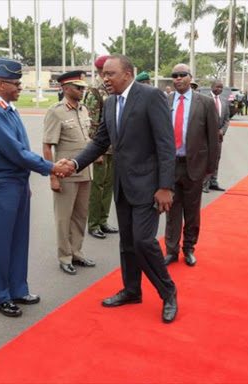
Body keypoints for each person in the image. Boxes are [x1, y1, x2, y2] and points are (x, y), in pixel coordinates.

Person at [68, 55, 178, 323]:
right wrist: (74, 163)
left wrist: (165, 186)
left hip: (149, 186)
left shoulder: (151, 97)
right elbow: (100, 142)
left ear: (128, 73)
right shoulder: (110, 103)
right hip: (123, 185)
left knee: (143, 241)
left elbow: (166, 145)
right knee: (127, 243)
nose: (105, 79)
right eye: (104, 74)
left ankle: (168, 292)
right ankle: (132, 290)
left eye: (110, 74)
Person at [0, 57, 71, 317]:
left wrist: (25, 181)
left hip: (15, 183)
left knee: (18, 240)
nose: (20, 87)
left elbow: (21, 152)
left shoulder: (7, 109)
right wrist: (52, 167)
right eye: (15, 83)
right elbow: (16, 152)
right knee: (0, 244)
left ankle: (17, 288)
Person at [164, 64, 219, 267]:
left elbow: (213, 137)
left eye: (182, 75)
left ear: (190, 77)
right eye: (174, 76)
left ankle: (189, 248)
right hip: (171, 165)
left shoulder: (203, 102)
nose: (178, 79)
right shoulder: (166, 100)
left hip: (194, 164)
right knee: (172, 210)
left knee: (192, 211)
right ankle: (171, 250)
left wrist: (211, 167)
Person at [43, 71, 96, 275]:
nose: (81, 90)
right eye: (77, 87)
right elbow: (47, 146)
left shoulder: (83, 110)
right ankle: (64, 256)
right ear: (66, 89)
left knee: (81, 215)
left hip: (85, 172)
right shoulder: (56, 111)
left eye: (83, 87)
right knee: (63, 217)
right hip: (65, 174)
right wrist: (52, 176)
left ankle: (77, 252)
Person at [84, 55, 118, 240]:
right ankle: (94, 223)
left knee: (109, 185)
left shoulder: (111, 88)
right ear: (100, 71)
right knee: (97, 186)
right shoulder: (95, 90)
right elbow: (91, 122)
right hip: (101, 148)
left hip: (114, 146)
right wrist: (94, 151)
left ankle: (103, 220)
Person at [203, 79, 229, 193]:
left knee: (216, 158)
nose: (220, 89)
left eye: (221, 87)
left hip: (219, 137)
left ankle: (214, 181)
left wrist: (223, 130)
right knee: (207, 159)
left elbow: (227, 118)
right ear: (212, 87)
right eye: (217, 87)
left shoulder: (224, 101)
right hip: (206, 137)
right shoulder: (205, 99)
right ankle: (204, 183)